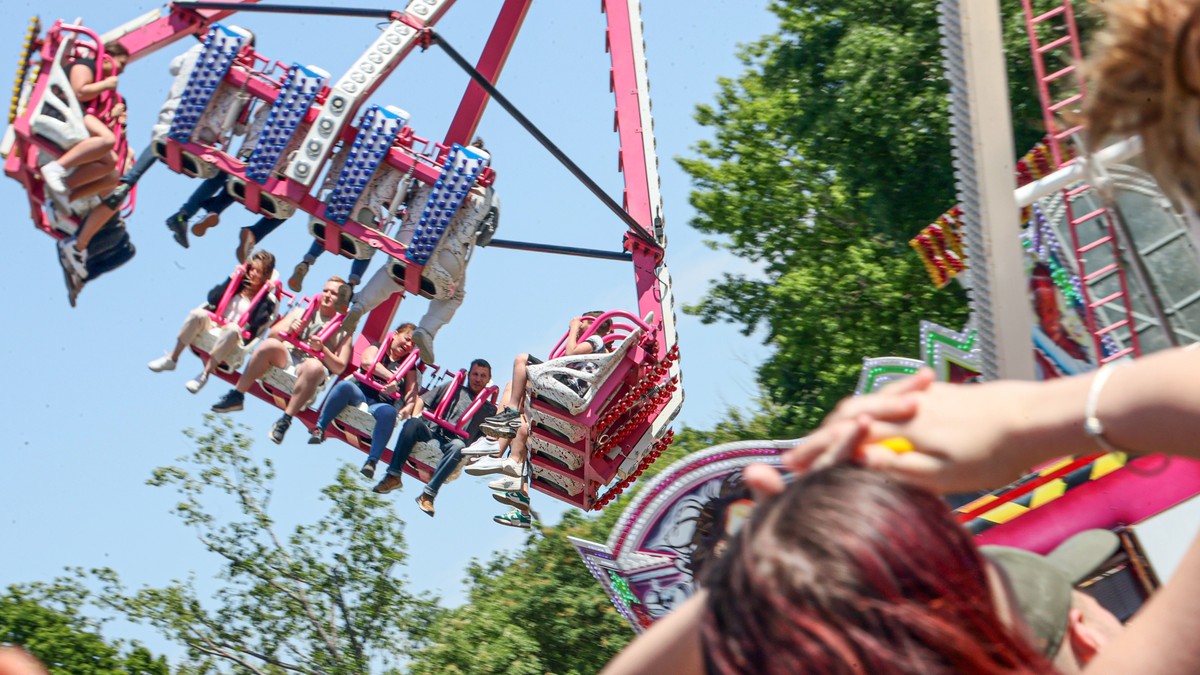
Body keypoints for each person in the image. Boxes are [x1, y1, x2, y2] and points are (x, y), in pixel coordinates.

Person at [339, 139, 499, 363]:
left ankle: (360, 304)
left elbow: (407, 195)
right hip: (446, 259)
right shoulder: (490, 193)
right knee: (455, 296)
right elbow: (485, 235)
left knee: (394, 272)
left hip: (410, 240)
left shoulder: (435, 167)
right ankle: (426, 330)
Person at [211, 276, 352, 445]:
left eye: (334, 293)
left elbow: (339, 367)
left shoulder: (345, 330)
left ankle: (285, 420)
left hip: (310, 368)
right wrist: (289, 328)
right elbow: (272, 334)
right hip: (288, 358)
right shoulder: (302, 312)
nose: (327, 295)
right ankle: (237, 395)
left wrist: (323, 349)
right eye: (325, 291)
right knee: (269, 345)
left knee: (313, 367)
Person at [372, 358, 497, 518]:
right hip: (433, 433)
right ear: (468, 376)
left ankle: (428, 495)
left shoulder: (488, 410)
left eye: (482, 376)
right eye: (475, 374)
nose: (478, 379)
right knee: (412, 424)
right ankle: (393, 475)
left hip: (454, 444)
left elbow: (485, 438)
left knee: (459, 445)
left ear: (487, 380)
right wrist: (416, 415)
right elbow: (422, 400)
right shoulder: (452, 388)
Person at [148, 250, 278, 393]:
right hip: (216, 324)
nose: (253, 274)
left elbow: (257, 321)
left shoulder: (267, 301)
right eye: (252, 269)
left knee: (232, 328)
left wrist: (264, 293)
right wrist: (232, 278)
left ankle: (205, 374)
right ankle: (172, 358)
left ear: (266, 276)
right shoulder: (238, 285)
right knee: (197, 313)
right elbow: (212, 298)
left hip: (236, 336)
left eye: (258, 272)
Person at [309, 322, 421, 478]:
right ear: (395, 334)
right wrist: (391, 378)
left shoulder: (409, 368)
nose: (408, 345)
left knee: (389, 413)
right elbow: (367, 362)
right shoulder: (377, 347)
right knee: (344, 387)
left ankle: (372, 461)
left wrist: (408, 406)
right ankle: (319, 428)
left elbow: (411, 392)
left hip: (381, 402)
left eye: (413, 344)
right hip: (360, 393)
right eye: (407, 339)